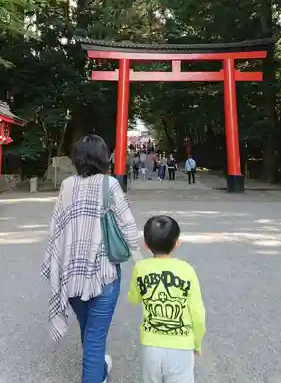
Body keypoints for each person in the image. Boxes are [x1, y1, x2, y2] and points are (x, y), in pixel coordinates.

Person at [41, 134, 141, 383]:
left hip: (72, 276)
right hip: (103, 275)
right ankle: (96, 372)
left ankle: (99, 370)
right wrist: (140, 259)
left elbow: (56, 229)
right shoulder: (110, 185)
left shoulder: (67, 186)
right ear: (103, 157)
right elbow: (128, 228)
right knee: (95, 340)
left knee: (90, 333)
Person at [128, 215, 206, 383]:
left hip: (151, 346)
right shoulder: (187, 270)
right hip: (182, 346)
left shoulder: (141, 269)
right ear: (177, 243)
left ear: (146, 245)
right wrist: (197, 342)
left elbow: (133, 298)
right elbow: (198, 313)